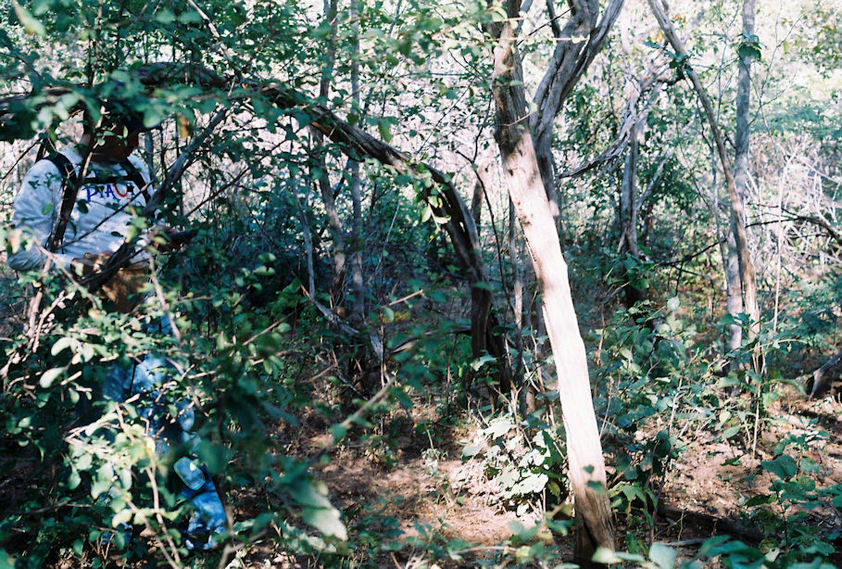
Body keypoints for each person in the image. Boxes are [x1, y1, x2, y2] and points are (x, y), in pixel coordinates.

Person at [7, 103, 227, 551]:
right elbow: (19, 253)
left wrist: (162, 234)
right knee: (103, 428)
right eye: (122, 134)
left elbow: (139, 226)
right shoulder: (53, 173)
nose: (129, 144)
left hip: (147, 310)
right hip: (91, 319)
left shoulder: (134, 165)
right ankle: (113, 538)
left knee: (172, 418)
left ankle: (207, 533)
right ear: (96, 128)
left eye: (134, 136)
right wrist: (78, 265)